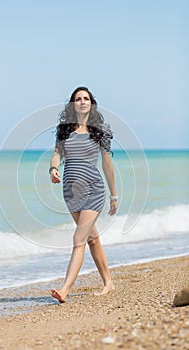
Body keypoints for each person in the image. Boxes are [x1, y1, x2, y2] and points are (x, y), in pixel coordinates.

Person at [49, 86, 118, 303]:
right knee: (92, 239)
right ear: (73, 104)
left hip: (93, 190)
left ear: (91, 103)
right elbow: (57, 154)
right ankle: (109, 283)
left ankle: (65, 289)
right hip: (70, 192)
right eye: (78, 99)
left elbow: (107, 164)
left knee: (79, 239)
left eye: (86, 98)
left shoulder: (100, 131)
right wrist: (52, 169)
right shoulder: (64, 130)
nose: (82, 102)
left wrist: (113, 196)